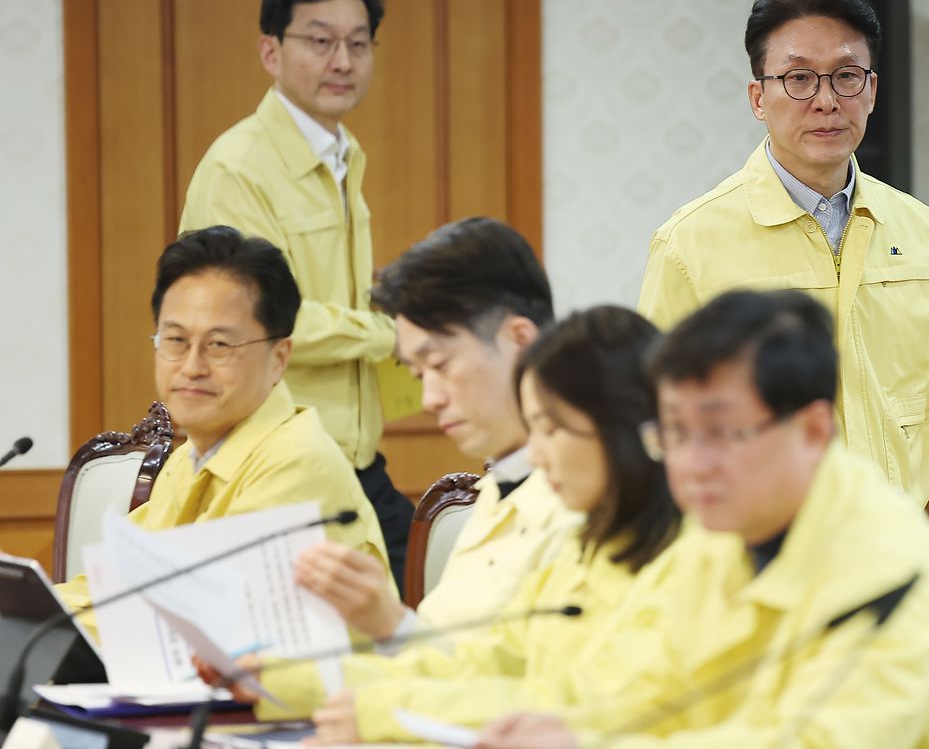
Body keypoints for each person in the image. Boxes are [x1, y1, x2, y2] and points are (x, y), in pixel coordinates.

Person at [475, 290, 929, 749]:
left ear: (813, 430)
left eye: (722, 432)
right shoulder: (715, 538)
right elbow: (656, 692)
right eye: (675, 433)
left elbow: (812, 743)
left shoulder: (891, 571)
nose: (691, 466)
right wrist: (567, 727)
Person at [637, 0, 929, 507]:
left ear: (872, 91)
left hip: (894, 542)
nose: (827, 101)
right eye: (799, 78)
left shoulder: (923, 231)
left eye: (846, 76)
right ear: (757, 97)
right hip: (758, 552)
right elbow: (655, 413)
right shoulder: (690, 244)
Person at [253, 308, 692, 742]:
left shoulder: (688, 560)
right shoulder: (589, 544)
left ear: (622, 427)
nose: (536, 456)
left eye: (550, 429)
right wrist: (278, 681)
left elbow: (574, 707)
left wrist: (380, 713)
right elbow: (475, 666)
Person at [179, 0, 413, 590]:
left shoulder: (342, 156)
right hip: (277, 469)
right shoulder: (241, 169)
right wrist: (390, 336)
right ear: (270, 51)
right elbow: (259, 323)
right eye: (319, 40)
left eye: (358, 44)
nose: (342, 61)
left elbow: (324, 297)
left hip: (352, 461)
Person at [57, 226, 392, 627]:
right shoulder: (193, 456)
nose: (192, 367)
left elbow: (183, 620)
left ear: (279, 357)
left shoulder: (296, 464)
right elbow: (117, 586)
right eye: (175, 340)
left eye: (219, 345)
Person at [283, 218, 582, 649]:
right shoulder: (501, 484)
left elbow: (532, 692)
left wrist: (389, 622)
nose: (429, 399)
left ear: (519, 339)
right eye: (418, 373)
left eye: (440, 365)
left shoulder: (585, 497)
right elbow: (441, 661)